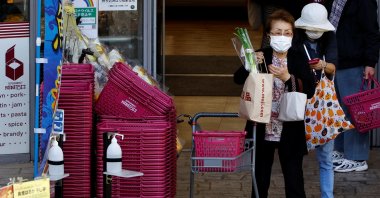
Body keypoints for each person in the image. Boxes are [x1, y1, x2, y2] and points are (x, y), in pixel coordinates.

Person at [234, 9, 310, 198]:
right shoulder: (261, 55)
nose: (282, 37)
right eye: (277, 32)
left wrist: (287, 78)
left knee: (294, 180)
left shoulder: (298, 58)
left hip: (290, 127)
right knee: (259, 178)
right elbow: (237, 78)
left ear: (293, 35)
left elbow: (310, 89)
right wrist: (249, 63)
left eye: (287, 33)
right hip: (262, 126)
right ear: (268, 34)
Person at [325, 0, 380, 172]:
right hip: (336, 61)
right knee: (340, 109)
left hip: (354, 62)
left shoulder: (364, 2)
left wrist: (370, 63)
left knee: (357, 111)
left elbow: (372, 32)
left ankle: (357, 157)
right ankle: (341, 151)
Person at [294, 3, 337, 198]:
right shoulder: (294, 40)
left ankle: (327, 196)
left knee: (326, 158)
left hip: (323, 106)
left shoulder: (330, 38)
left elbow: (333, 68)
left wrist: (323, 65)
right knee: (295, 157)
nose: (315, 32)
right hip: (299, 103)